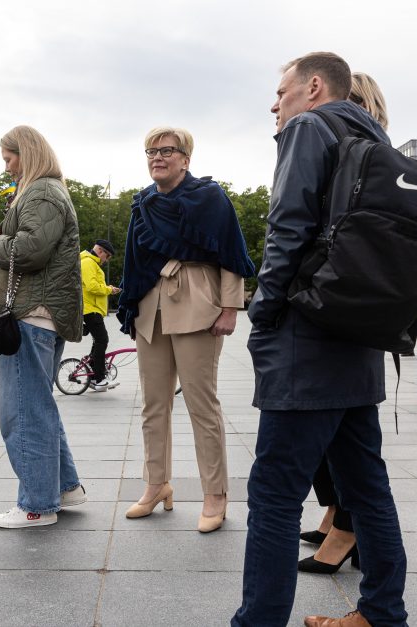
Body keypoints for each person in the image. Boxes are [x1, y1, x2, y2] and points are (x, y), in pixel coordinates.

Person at [235, 53, 407, 627]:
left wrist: (263, 309)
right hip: (358, 336)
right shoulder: (377, 139)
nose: (274, 103)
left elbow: (288, 226)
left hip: (306, 339)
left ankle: (257, 621)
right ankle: (382, 613)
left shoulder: (311, 126)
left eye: (280, 91)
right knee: (367, 487)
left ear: (312, 87)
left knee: (276, 495)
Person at [117, 127, 255, 534]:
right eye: (151, 151)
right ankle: (156, 485)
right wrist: (132, 305)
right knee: (153, 406)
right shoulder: (143, 203)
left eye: (167, 151)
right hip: (151, 308)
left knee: (202, 405)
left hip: (198, 304)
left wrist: (231, 306)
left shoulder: (209, 198)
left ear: (185, 158)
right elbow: (133, 261)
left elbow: (232, 252)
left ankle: (216, 495)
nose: (157, 157)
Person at [298, 71, 391, 578]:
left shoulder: (350, 144)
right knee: (342, 431)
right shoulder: (360, 145)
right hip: (357, 301)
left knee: (348, 434)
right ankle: (337, 513)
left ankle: (347, 527)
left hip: (343, 302)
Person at [0, 125, 86, 528]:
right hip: (43, 314)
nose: (7, 168)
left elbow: (29, 251)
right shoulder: (49, 190)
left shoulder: (40, 191)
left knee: (22, 413)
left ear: (27, 153)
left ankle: (37, 504)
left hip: (31, 314)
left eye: (9, 158)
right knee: (39, 406)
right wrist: (3, 235)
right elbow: (31, 242)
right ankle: (64, 487)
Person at [80, 238, 122, 392]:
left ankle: (92, 372)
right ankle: (99, 379)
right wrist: (108, 290)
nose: (108, 259)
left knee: (98, 341)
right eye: (108, 255)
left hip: (93, 309)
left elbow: (93, 285)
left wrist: (108, 288)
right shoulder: (88, 263)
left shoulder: (91, 263)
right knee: (102, 340)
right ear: (100, 251)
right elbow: (91, 286)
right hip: (89, 309)